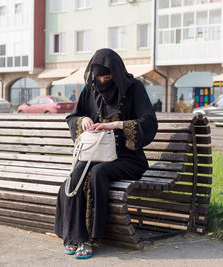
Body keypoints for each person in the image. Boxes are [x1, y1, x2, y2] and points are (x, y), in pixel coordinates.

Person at [54, 48, 158, 259]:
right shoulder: (90, 90)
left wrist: (116, 125)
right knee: (75, 176)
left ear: (116, 73)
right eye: (98, 76)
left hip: (128, 158)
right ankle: (75, 236)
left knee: (97, 174)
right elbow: (72, 117)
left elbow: (149, 122)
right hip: (96, 154)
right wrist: (82, 120)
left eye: (107, 76)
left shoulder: (134, 88)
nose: (102, 80)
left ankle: (93, 238)